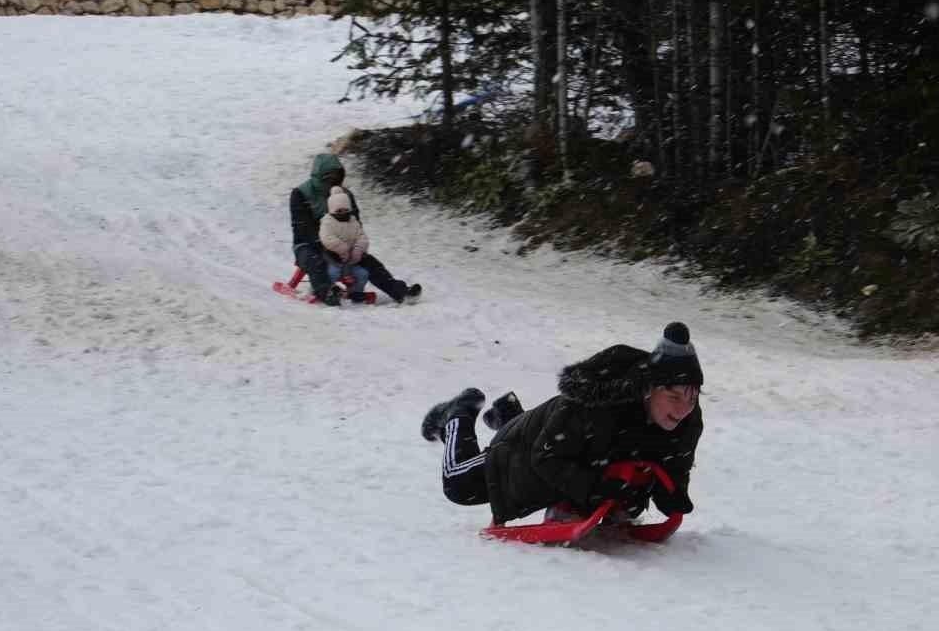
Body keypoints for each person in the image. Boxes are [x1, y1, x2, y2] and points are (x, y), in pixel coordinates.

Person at [421, 322, 704, 527]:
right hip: (524, 448)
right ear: (648, 389)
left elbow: (673, 462)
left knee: (570, 442)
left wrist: (672, 496)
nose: (683, 408)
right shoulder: (598, 407)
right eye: (673, 396)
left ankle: (508, 411)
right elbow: (546, 456)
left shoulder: (686, 419)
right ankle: (458, 415)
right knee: (458, 485)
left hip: (558, 433)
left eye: (691, 398)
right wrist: (596, 489)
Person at [288, 152, 423, 306]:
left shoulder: (345, 195)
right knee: (315, 261)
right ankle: (327, 293)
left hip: (345, 246)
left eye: (336, 176)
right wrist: (329, 247)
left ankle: (400, 292)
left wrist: (356, 248)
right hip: (308, 245)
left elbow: (355, 225)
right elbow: (302, 229)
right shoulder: (300, 194)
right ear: (319, 176)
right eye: (328, 176)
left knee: (370, 262)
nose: (332, 180)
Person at [318, 187, 371, 300]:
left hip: (351, 260)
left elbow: (362, 237)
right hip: (333, 258)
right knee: (333, 274)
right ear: (332, 210)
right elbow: (327, 238)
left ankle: (356, 293)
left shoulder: (353, 221)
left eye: (345, 209)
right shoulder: (327, 222)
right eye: (339, 211)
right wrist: (343, 249)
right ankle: (329, 292)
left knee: (363, 274)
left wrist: (358, 249)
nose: (343, 213)